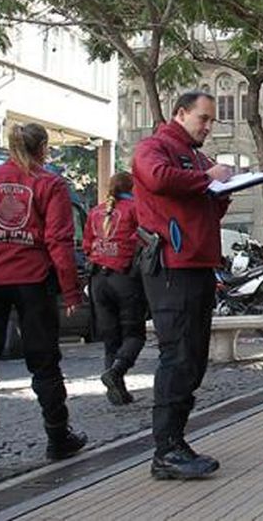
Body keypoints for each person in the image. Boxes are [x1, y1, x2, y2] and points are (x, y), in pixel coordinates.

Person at [0, 122, 87, 483]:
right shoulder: (50, 183)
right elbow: (59, 240)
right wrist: (70, 290)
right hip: (31, 279)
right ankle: (58, 437)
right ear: (43, 148)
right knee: (44, 362)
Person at [133, 91, 236, 481]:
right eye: (203, 118)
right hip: (171, 264)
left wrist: (222, 189)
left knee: (192, 358)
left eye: (211, 121)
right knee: (177, 356)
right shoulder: (154, 148)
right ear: (180, 113)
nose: (208, 127)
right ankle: (166, 451)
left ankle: (176, 442)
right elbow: (157, 177)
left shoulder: (196, 157)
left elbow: (206, 205)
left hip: (197, 263)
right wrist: (206, 178)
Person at [84, 171, 145, 406]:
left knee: (110, 338)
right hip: (124, 278)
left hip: (99, 280)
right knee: (134, 334)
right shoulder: (134, 208)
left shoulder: (95, 212)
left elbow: (88, 245)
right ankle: (116, 372)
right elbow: (144, 239)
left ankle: (117, 393)